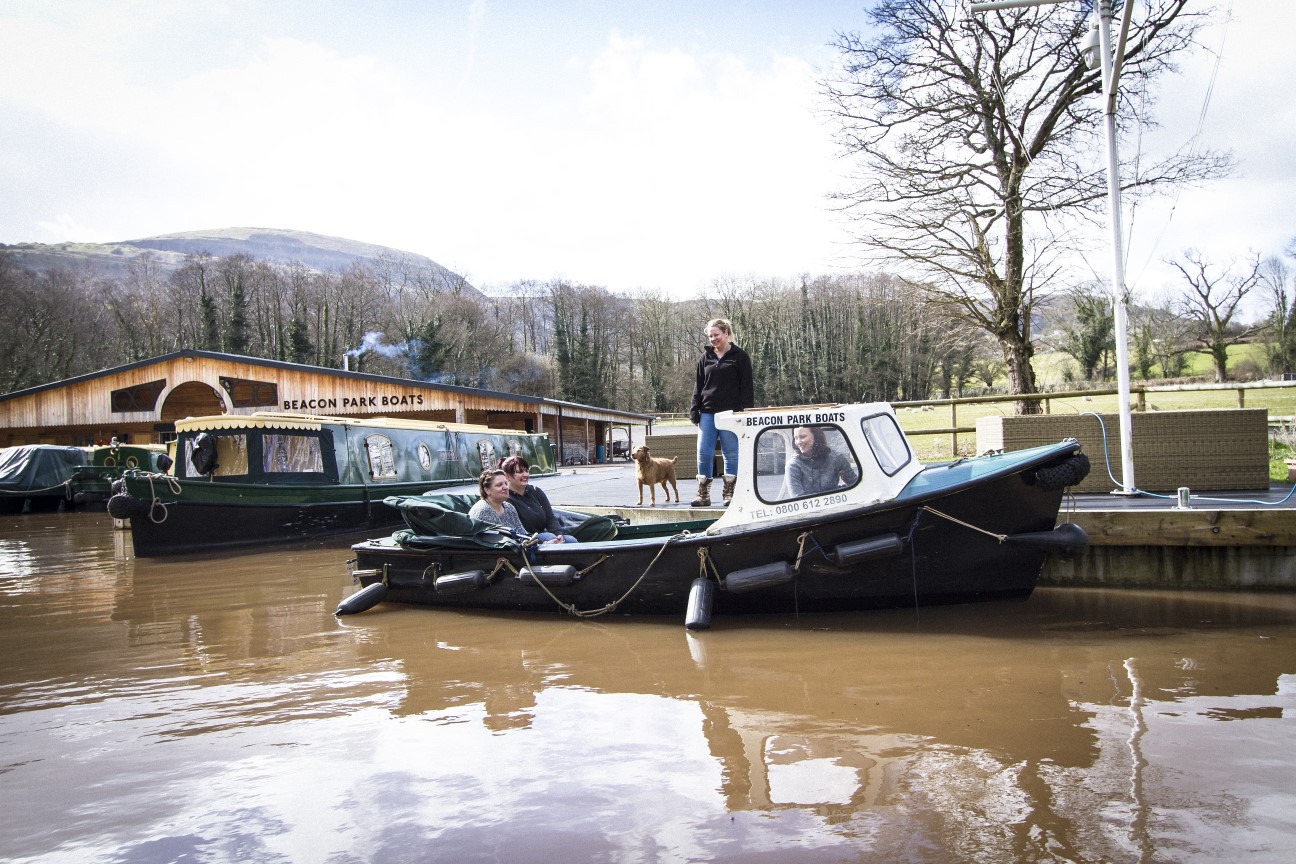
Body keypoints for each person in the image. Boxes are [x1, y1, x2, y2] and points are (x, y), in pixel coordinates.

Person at [688, 318, 754, 507]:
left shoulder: (740, 356)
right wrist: (694, 409)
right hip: (707, 412)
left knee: (731, 453)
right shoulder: (704, 358)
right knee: (703, 453)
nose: (713, 339)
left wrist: (745, 412)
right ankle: (703, 495)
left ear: (726, 333)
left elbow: (747, 388)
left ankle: (730, 493)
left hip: (731, 414)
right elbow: (698, 386)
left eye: (716, 335)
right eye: (710, 336)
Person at [500, 455, 576, 543]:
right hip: (527, 540)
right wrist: (543, 542)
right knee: (549, 537)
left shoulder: (536, 491)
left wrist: (558, 534)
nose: (525, 475)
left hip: (546, 534)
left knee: (571, 540)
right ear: (507, 476)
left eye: (526, 471)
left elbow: (550, 518)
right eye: (520, 472)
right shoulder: (507, 499)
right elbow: (516, 532)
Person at [786, 426, 859, 497]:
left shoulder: (837, 458)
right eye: (796, 438)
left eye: (802, 437)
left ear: (816, 436)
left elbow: (855, 484)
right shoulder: (793, 465)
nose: (798, 442)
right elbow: (798, 499)